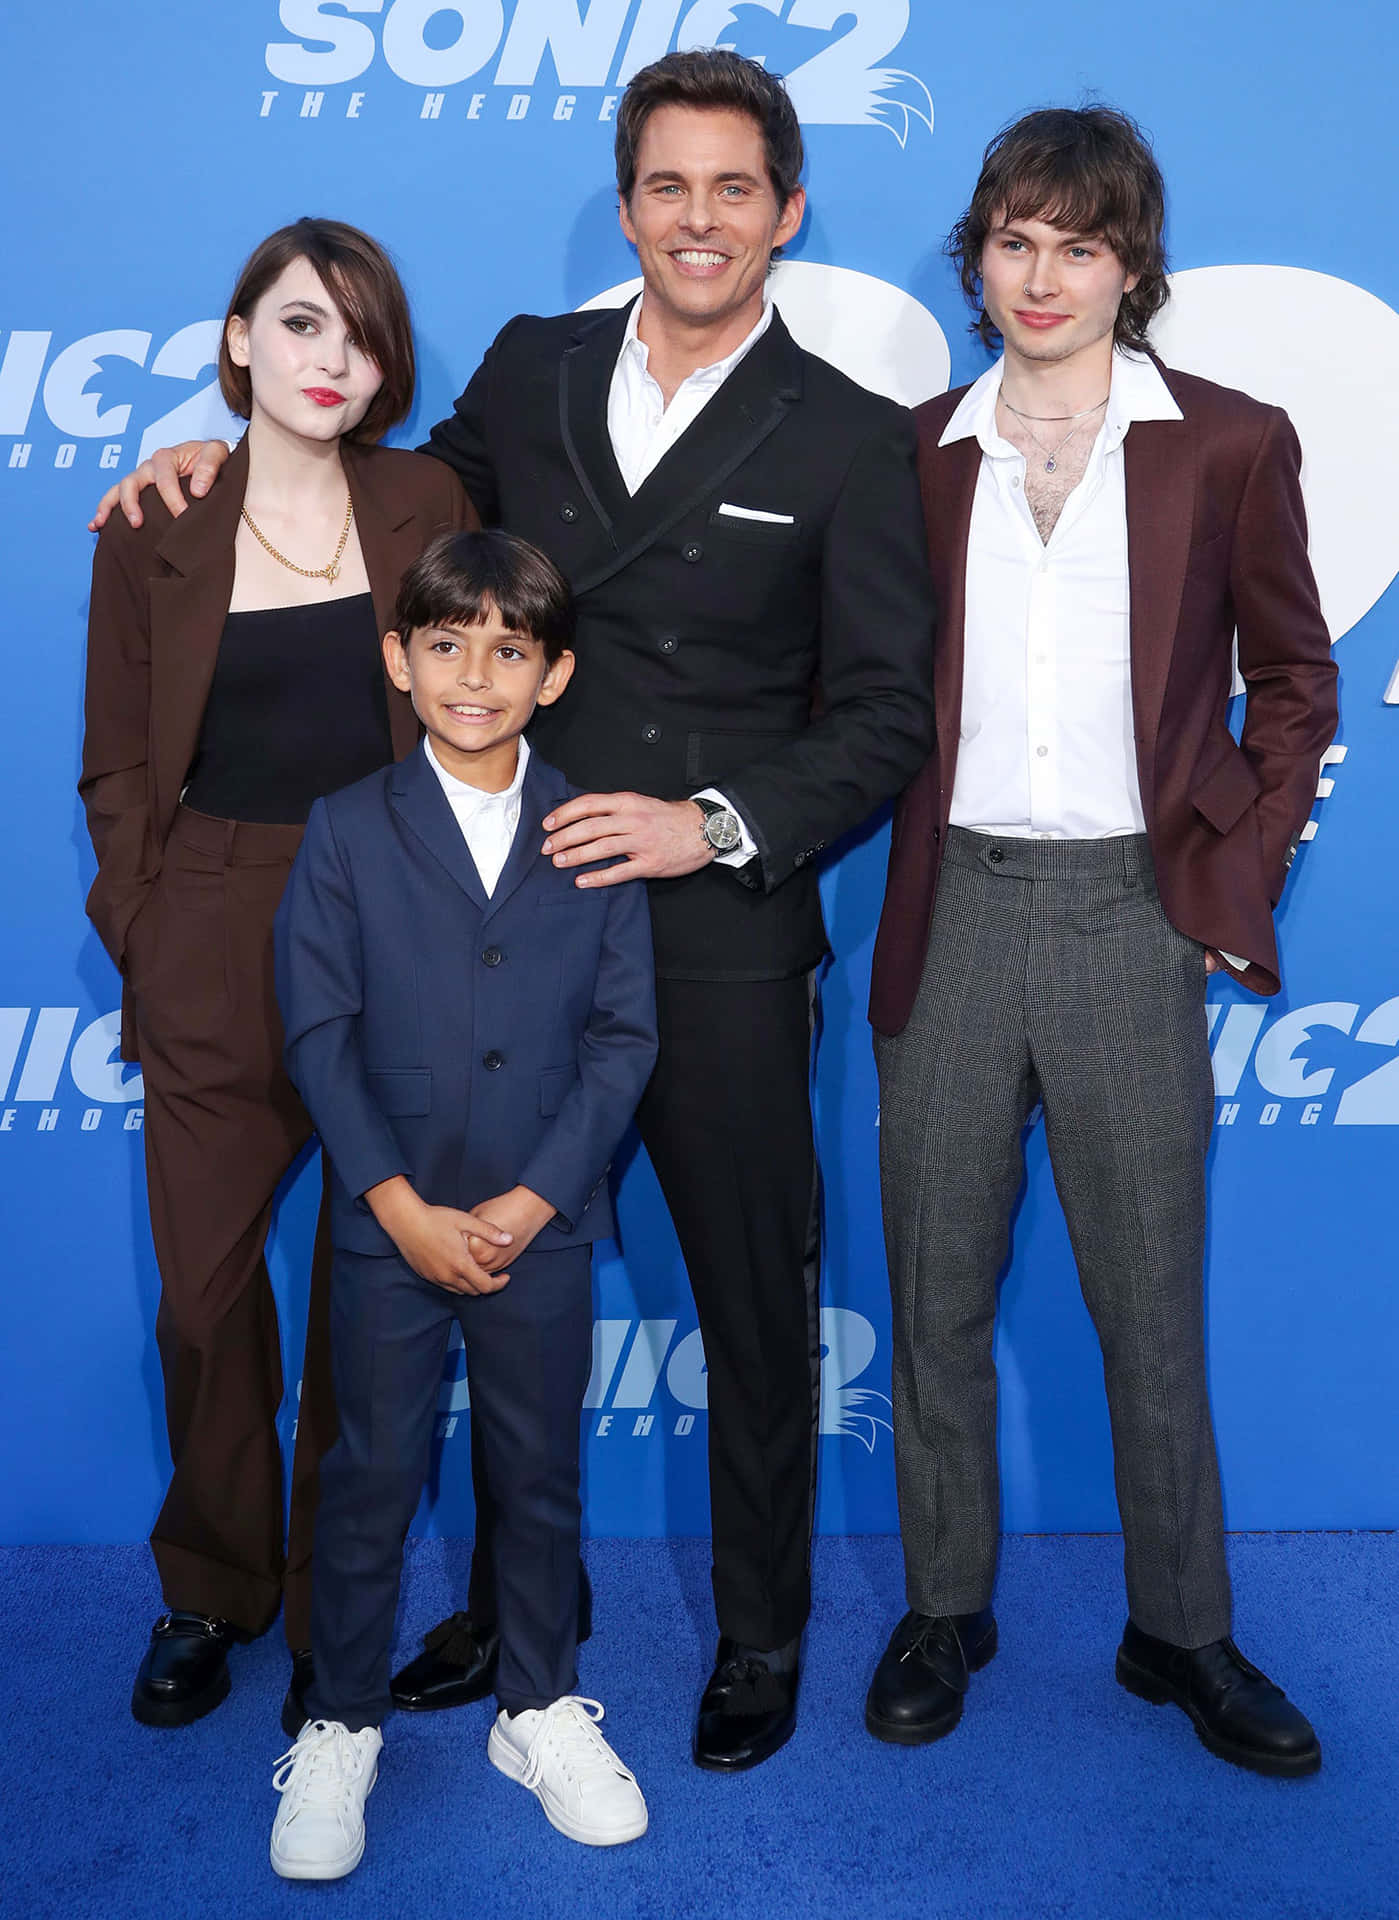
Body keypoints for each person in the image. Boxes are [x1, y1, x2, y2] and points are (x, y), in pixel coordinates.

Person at [93, 50, 936, 1771]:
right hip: (482, 918)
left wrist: (712, 826)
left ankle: (758, 1634)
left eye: (731, 189)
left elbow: (885, 717)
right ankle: (502, 1614)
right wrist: (213, 451)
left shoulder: (855, 437)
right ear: (625, 205)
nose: (695, 220)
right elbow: (382, 506)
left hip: (704, 926)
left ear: (783, 212)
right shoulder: (531, 372)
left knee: (749, 1299)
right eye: (663, 187)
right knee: (487, 1280)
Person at [865, 106, 1337, 1775]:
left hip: (1136, 914)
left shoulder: (1226, 442)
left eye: (1080, 245)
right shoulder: (911, 451)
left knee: (1151, 1301)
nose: (1041, 276)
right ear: (976, 256)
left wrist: (1242, 862)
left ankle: (1182, 1632)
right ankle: (943, 1604)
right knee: (930, 1292)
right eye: (1013, 241)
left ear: (1132, 265)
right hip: (956, 905)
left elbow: (1295, 676)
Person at [81, 217, 473, 1736]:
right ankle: (213, 1588)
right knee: (204, 1294)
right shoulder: (155, 523)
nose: (333, 360)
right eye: (301, 325)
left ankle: (333, 1604)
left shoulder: (425, 495)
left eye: (362, 336)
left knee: (370, 1296)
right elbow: (115, 755)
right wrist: (149, 918)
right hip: (212, 917)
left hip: (392, 914)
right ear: (239, 336)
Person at [268, 529, 656, 1879]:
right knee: (370, 1473)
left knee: (537, 1474)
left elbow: (623, 1039)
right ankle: (341, 1723)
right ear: (399, 658)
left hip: (540, 1230)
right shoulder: (345, 828)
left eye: (509, 650)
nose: (475, 674)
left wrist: (542, 1198)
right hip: (389, 1224)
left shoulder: (592, 832)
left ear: (553, 675)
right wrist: (397, 1202)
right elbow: (317, 1030)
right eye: (447, 645)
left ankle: (538, 1704)